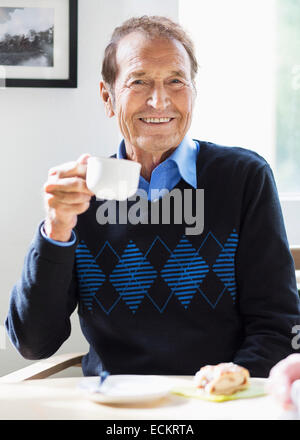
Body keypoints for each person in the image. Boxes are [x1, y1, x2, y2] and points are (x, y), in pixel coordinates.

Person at [5, 16, 300, 378]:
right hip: (116, 408)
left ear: (193, 91)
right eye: (139, 81)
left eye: (176, 81)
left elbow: (279, 324)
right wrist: (56, 229)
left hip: (219, 402)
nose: (159, 100)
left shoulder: (243, 177)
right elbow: (34, 342)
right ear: (107, 96)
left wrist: (231, 385)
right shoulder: (81, 196)